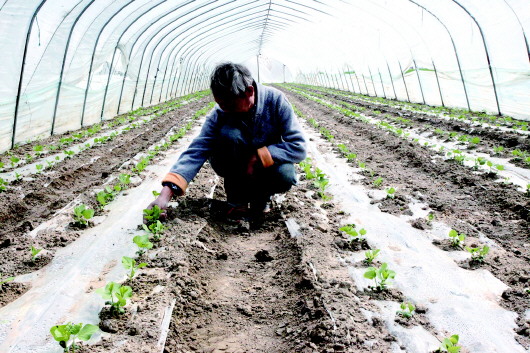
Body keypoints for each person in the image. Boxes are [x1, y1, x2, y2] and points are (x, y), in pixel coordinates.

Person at [146, 62, 306, 222]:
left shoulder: (276, 101)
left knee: (285, 174)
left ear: (249, 92)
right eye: (219, 104)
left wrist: (259, 156)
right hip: (234, 164)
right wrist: (164, 195)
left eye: (228, 104)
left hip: (266, 167)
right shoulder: (220, 112)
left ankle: (262, 198)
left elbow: (298, 146)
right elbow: (197, 150)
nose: (223, 109)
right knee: (230, 135)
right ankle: (237, 201)